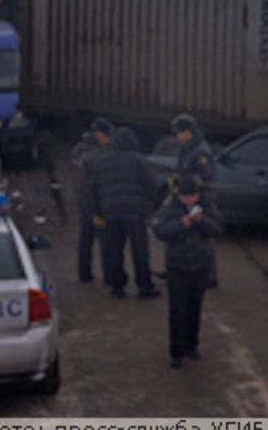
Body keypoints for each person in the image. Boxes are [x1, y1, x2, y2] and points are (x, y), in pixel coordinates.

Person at [152, 175, 223, 369]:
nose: (188, 200)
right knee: (177, 311)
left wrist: (201, 221)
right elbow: (159, 230)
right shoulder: (170, 208)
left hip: (200, 266)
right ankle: (176, 352)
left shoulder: (207, 207)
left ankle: (192, 346)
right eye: (185, 196)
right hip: (177, 266)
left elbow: (218, 229)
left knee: (194, 308)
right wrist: (180, 225)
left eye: (192, 196)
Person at [91, 127, 162, 299]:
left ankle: (117, 286)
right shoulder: (139, 160)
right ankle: (144, 287)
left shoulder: (101, 162)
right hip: (135, 212)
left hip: (111, 212)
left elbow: (93, 190)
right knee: (140, 250)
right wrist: (151, 205)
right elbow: (151, 185)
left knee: (114, 250)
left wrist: (99, 211)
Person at [170, 113, 218, 286]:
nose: (177, 136)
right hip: (186, 196)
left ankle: (210, 275)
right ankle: (178, 268)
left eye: (179, 132)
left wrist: (193, 189)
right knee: (183, 233)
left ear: (188, 131)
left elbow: (207, 177)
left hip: (198, 198)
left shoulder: (200, 151)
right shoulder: (187, 147)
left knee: (203, 238)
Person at [70, 117, 114, 283]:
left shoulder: (79, 150)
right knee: (105, 239)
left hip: (84, 200)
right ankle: (109, 276)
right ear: (101, 135)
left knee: (85, 237)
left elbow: (78, 179)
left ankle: (84, 272)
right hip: (96, 202)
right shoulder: (96, 154)